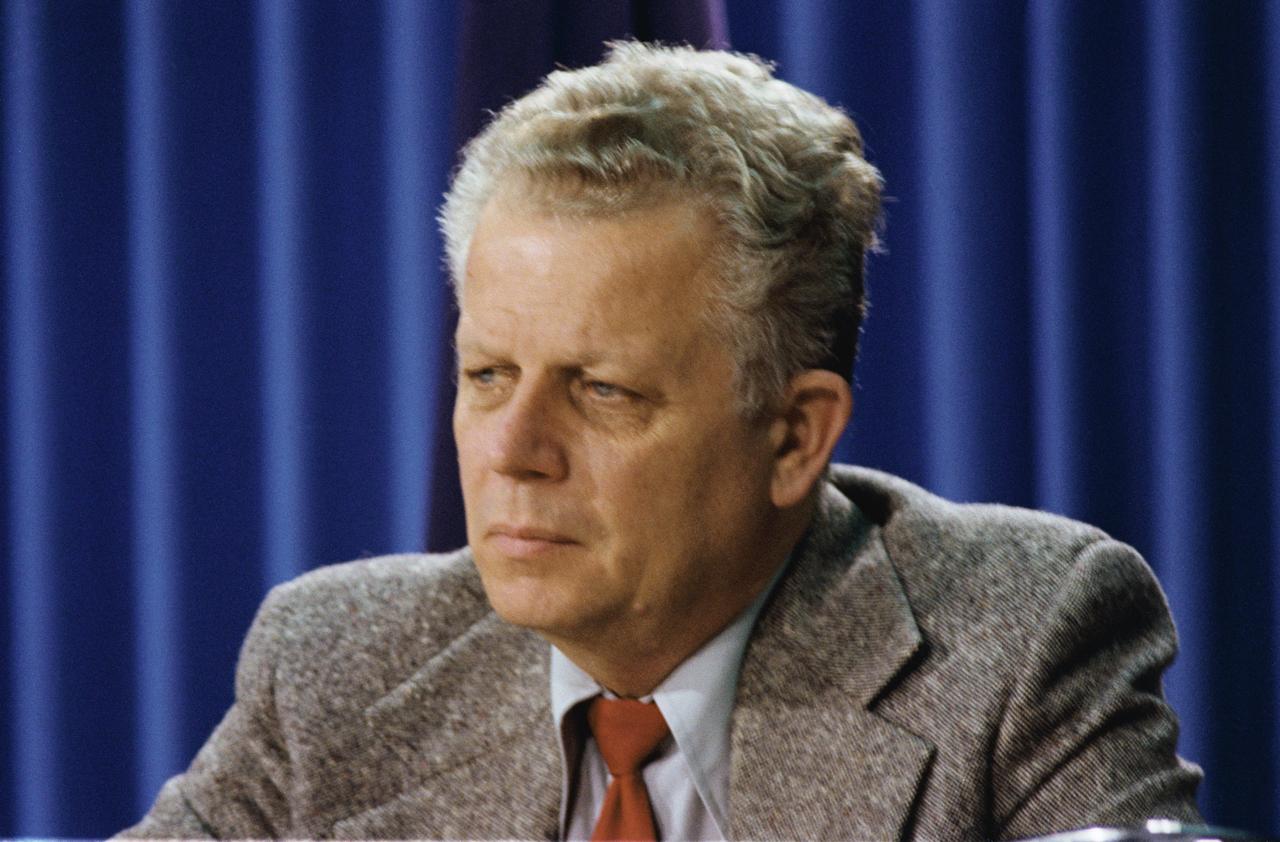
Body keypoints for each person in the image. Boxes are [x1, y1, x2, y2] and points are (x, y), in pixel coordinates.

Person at [120, 42, 1201, 840]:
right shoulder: (337, 667)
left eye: (599, 390)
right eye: (487, 375)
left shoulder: (1014, 644)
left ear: (792, 435)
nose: (512, 448)